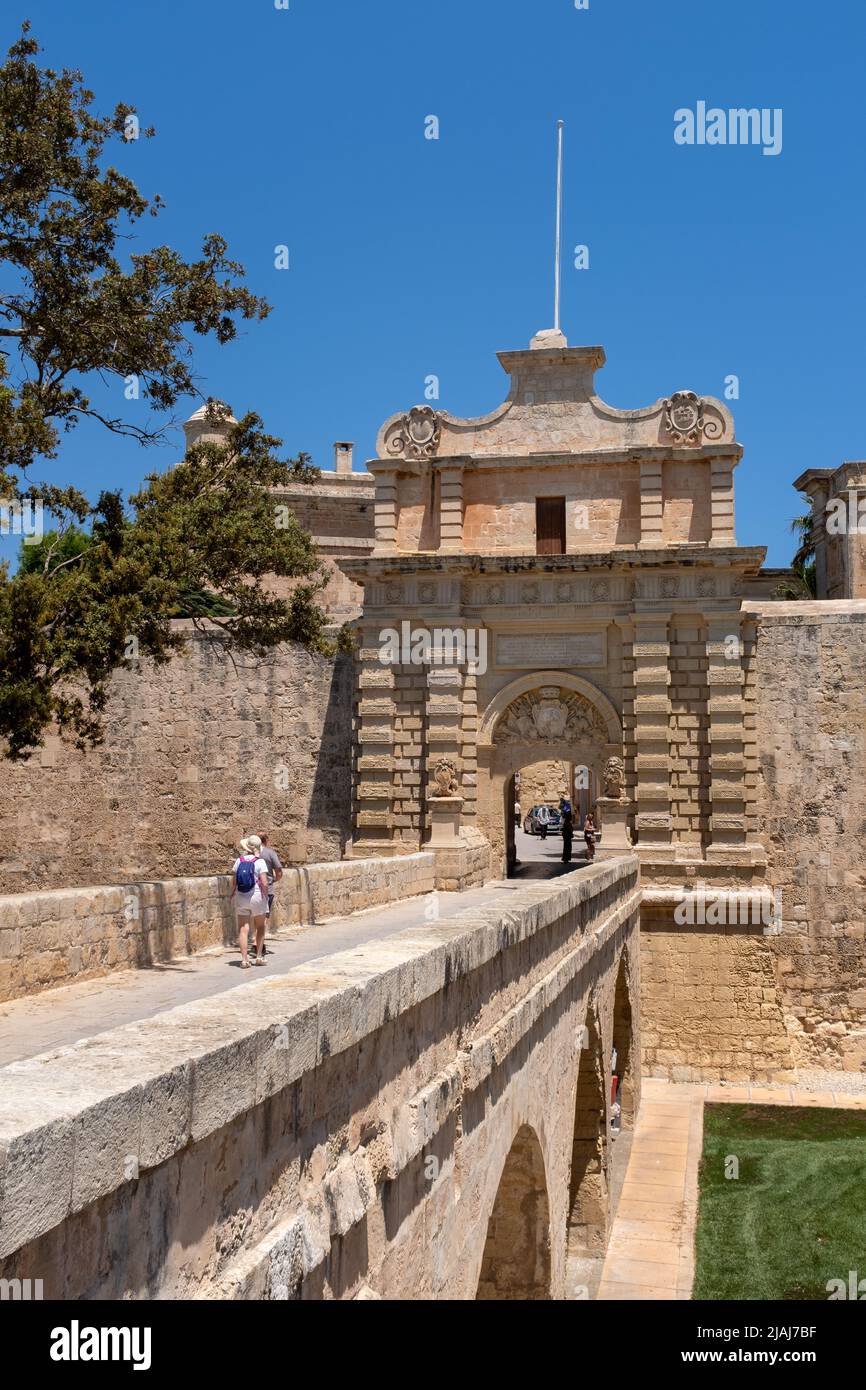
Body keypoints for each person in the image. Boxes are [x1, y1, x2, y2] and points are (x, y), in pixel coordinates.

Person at [231, 835, 269, 968]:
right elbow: (264, 882)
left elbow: (234, 881)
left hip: (242, 896)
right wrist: (265, 895)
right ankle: (258, 957)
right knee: (260, 927)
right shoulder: (260, 862)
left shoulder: (238, 861)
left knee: (243, 929)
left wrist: (232, 893)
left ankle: (244, 960)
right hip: (257, 896)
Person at [258, 833, 284, 950]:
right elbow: (278, 872)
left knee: (255, 917)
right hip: (267, 888)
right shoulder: (270, 853)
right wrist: (273, 880)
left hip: (251, 889)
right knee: (264, 918)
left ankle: (256, 941)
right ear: (266, 840)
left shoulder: (248, 854)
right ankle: (257, 944)